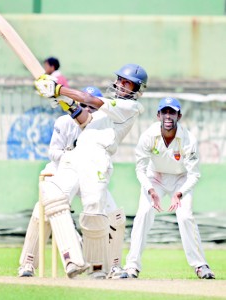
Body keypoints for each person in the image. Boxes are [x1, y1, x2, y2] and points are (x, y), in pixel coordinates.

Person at [34, 63, 148, 279]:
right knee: (54, 198)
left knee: (95, 211)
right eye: (121, 80)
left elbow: (89, 100)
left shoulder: (129, 108)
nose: (122, 85)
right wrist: (65, 102)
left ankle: (100, 268)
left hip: (96, 158)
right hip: (76, 154)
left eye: (128, 82)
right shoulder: (106, 111)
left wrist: (58, 89)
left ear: (136, 89)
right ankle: (73, 259)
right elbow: (85, 119)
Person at [18, 86, 116, 277]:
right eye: (84, 106)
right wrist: (74, 158)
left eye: (92, 107)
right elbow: (53, 153)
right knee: (44, 209)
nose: (87, 111)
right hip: (62, 170)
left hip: (89, 174)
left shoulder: (104, 125)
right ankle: (28, 263)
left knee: (114, 215)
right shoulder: (64, 121)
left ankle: (111, 265)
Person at [118, 97, 215, 280]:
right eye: (165, 112)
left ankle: (201, 265)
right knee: (144, 214)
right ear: (158, 115)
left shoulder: (188, 140)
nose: (168, 116)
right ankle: (132, 267)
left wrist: (179, 193)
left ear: (179, 115)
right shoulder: (148, 136)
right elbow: (140, 168)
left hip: (181, 179)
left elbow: (194, 174)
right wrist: (150, 190)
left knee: (185, 216)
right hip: (155, 178)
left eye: (172, 112)